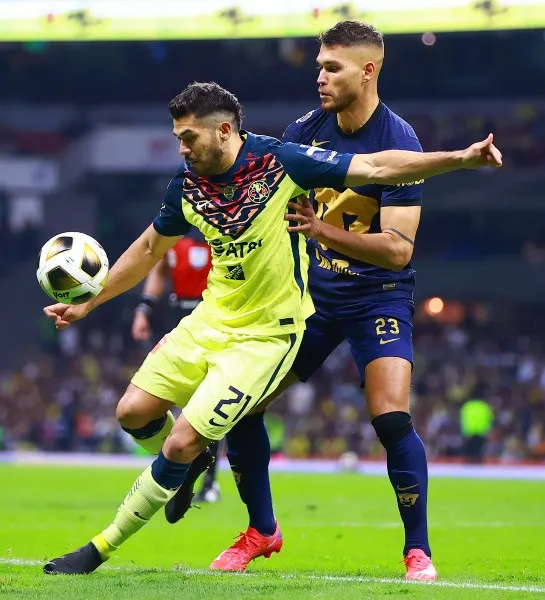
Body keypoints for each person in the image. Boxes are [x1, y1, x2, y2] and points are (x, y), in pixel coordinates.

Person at [41, 81, 502, 575]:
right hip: (212, 318)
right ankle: (208, 479)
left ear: (224, 130)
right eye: (178, 137)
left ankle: (100, 548)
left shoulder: (282, 161)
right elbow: (150, 249)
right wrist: (91, 301)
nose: (182, 148)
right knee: (132, 413)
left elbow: (376, 167)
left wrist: (459, 159)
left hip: (270, 332)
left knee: (180, 442)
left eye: (189, 137)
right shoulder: (186, 182)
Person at [176, 21, 445, 580]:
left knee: (391, 416)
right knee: (242, 405)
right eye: (319, 65)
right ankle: (261, 531)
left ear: (368, 71)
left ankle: (417, 551)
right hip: (311, 298)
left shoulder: (400, 141)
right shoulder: (307, 129)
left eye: (332, 68)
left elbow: (397, 252)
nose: (319, 77)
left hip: (378, 296)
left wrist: (326, 234)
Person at [130, 231, 224, 509]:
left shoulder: (225, 228)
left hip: (214, 319)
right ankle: (176, 470)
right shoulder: (176, 231)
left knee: (208, 403)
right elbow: (160, 269)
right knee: (165, 400)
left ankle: (208, 481)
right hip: (177, 318)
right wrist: (144, 309)